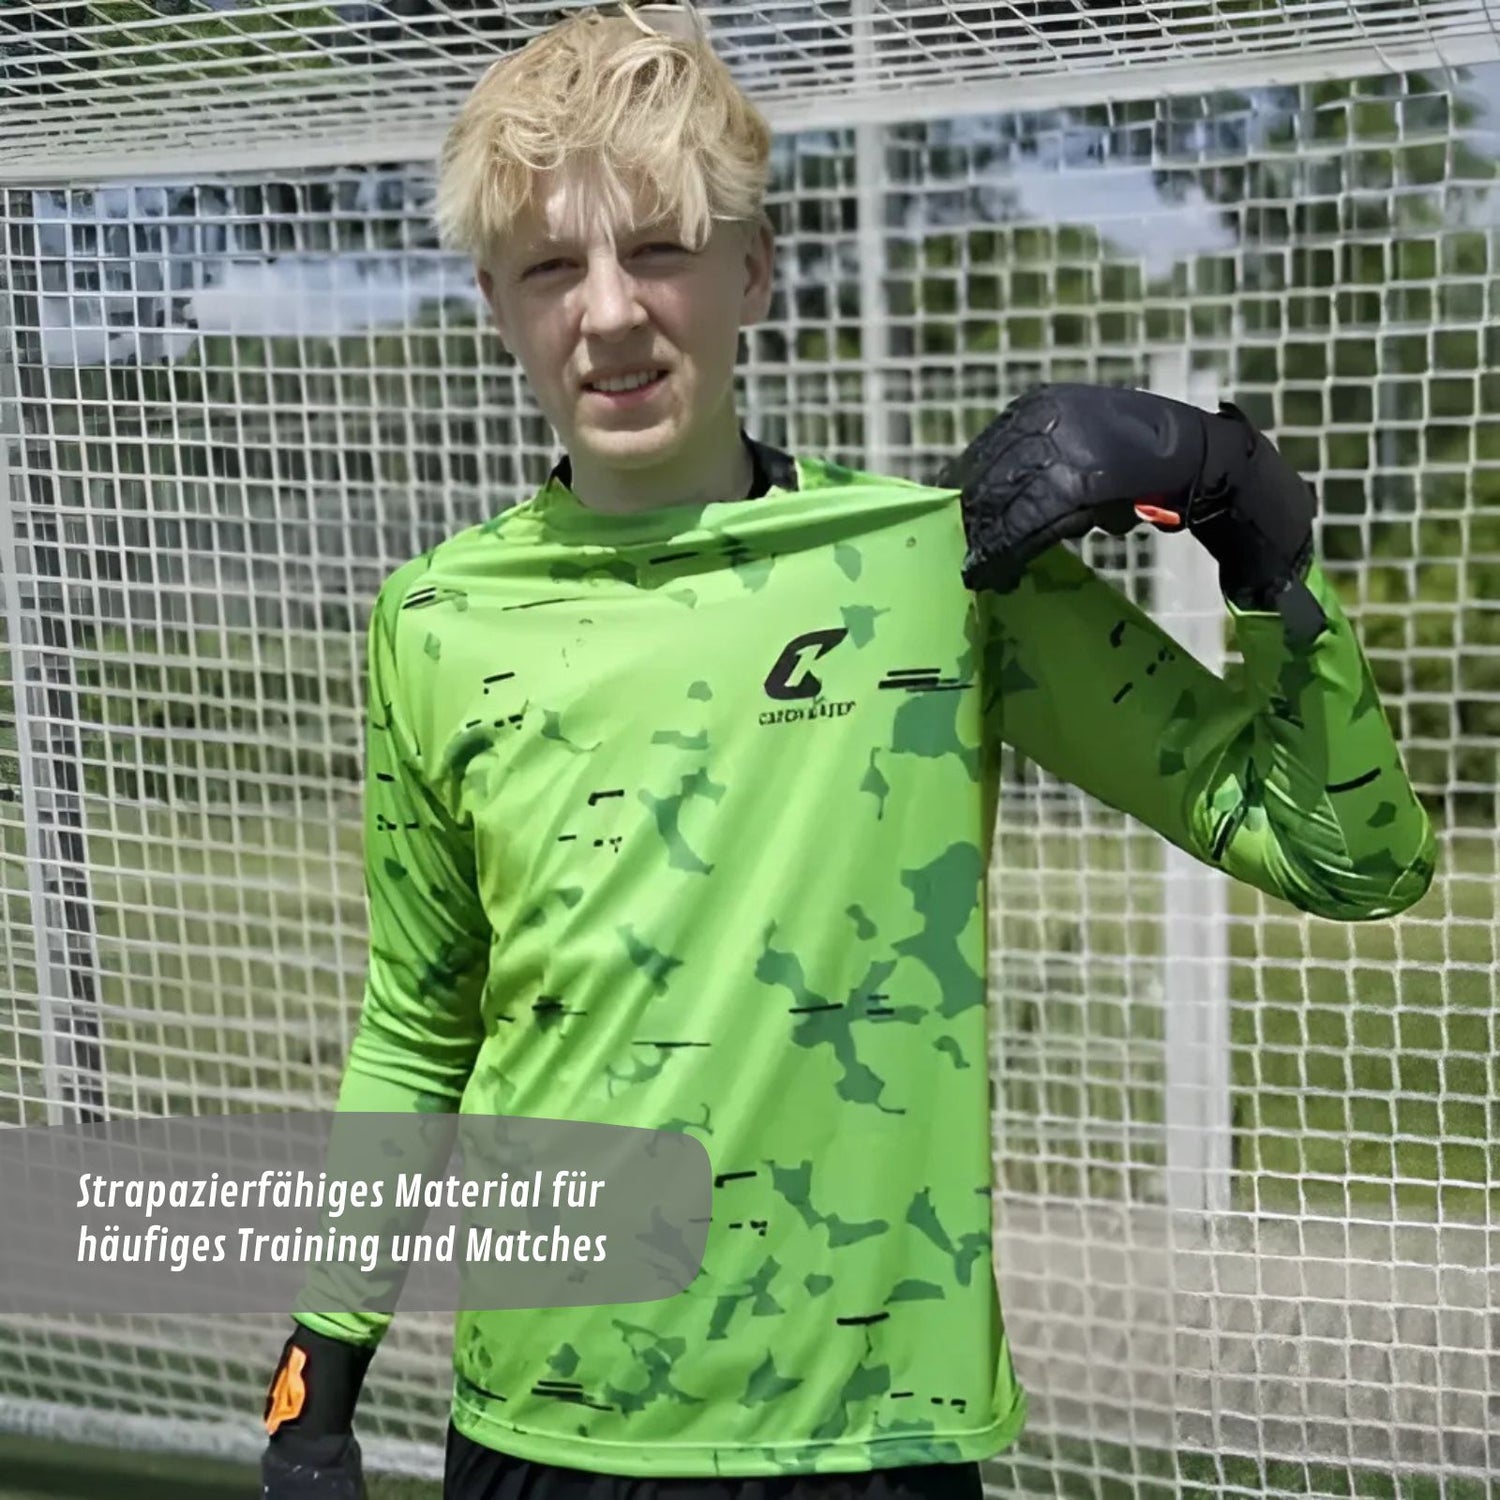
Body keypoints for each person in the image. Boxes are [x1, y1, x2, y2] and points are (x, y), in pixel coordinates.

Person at [257, 3, 1436, 1496]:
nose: (609, 313)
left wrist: (1249, 519)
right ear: (497, 300)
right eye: (552, 266)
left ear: (753, 268)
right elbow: (420, 1023)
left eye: (660, 249)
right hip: (539, 1435)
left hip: (874, 1443)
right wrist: (319, 1375)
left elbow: (1354, 861)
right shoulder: (435, 622)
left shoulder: (940, 573)